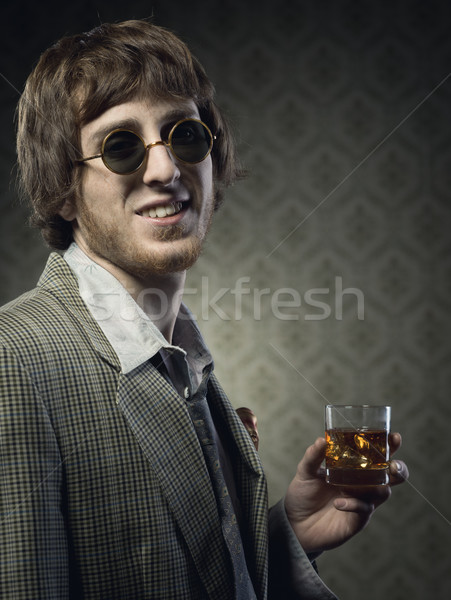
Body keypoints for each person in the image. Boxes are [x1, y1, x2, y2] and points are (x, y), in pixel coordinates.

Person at [0, 19, 408, 599]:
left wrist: (290, 536)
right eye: (121, 147)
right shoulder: (13, 361)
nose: (166, 170)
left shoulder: (183, 362)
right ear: (64, 188)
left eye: (185, 135)